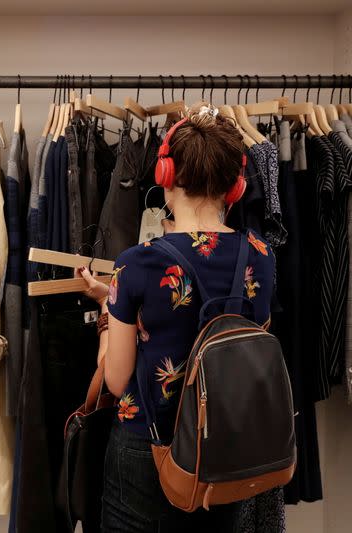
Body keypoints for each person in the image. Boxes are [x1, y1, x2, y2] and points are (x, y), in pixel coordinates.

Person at [76, 104, 275, 533]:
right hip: (228, 447)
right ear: (235, 187)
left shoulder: (136, 264)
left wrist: (109, 313)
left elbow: (115, 379)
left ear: (165, 178)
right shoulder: (261, 256)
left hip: (150, 448)